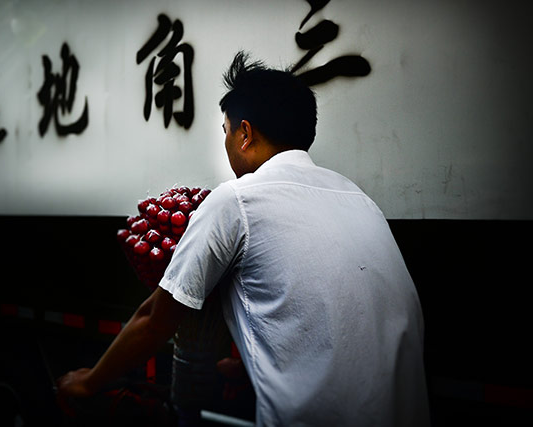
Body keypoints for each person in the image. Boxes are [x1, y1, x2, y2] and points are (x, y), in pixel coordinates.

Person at [57, 51, 430, 426]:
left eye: (226, 131)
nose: (226, 142)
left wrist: (89, 382)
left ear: (245, 134)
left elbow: (155, 319)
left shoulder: (237, 200)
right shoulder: (358, 198)